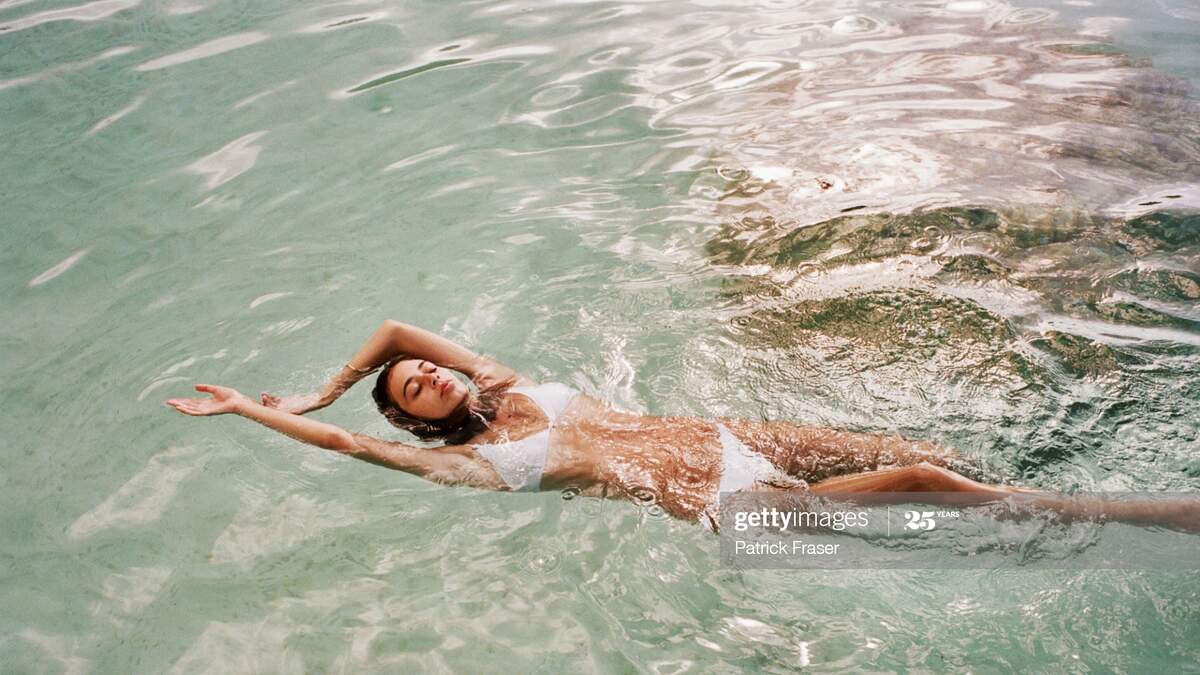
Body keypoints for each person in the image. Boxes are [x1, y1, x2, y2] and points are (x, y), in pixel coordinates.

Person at [166, 320, 1198, 532]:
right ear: (413, 419)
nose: (425, 370)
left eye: (429, 367)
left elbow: (393, 323)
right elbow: (351, 448)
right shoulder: (480, 469)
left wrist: (339, 376)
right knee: (926, 486)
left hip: (741, 434)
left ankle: (1062, 500)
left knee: (927, 453)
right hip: (727, 504)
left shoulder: (517, 388)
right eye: (411, 387)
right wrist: (273, 411)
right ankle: (1155, 519)